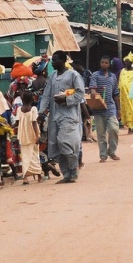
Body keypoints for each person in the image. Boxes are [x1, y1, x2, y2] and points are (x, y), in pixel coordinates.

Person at [38, 50, 85, 183]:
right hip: (55, 116)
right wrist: (41, 113)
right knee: (56, 146)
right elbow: (46, 95)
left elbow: (80, 93)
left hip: (69, 116)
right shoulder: (52, 76)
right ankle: (67, 174)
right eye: (52, 60)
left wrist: (66, 100)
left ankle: (73, 168)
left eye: (56, 59)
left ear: (64, 60)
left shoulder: (73, 75)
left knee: (65, 141)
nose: (53, 62)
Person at [89, 56, 121, 162]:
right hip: (98, 109)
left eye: (106, 63)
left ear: (109, 64)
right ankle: (103, 155)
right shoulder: (95, 75)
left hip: (110, 107)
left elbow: (115, 93)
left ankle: (111, 151)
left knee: (114, 129)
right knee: (101, 133)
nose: (104, 64)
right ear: (100, 63)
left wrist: (119, 109)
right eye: (102, 62)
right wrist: (93, 93)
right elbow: (92, 88)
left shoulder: (113, 77)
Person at [17, 91, 43, 184]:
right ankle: (39, 176)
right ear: (32, 99)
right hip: (32, 134)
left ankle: (25, 178)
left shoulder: (19, 109)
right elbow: (34, 122)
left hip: (23, 135)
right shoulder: (33, 109)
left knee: (25, 156)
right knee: (34, 155)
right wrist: (37, 135)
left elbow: (17, 122)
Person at [118, 53, 133, 134]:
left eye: (128, 62)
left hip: (132, 94)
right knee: (125, 110)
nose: (126, 63)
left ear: (131, 62)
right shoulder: (122, 71)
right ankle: (129, 126)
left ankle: (132, 126)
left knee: (132, 109)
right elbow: (120, 81)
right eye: (125, 62)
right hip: (123, 94)